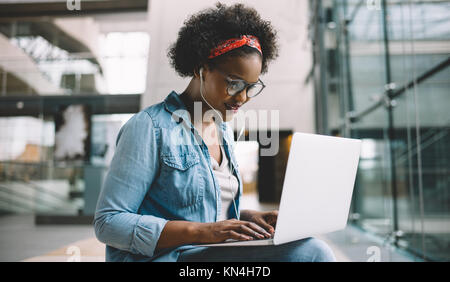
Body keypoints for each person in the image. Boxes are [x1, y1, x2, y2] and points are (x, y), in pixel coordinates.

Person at [94, 2, 336, 262]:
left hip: (207, 255)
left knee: (306, 246)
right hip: (169, 258)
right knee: (312, 254)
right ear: (201, 69)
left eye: (251, 87)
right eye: (234, 84)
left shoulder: (222, 131)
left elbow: (206, 211)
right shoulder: (149, 128)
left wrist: (248, 218)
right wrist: (201, 232)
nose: (242, 97)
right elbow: (109, 223)